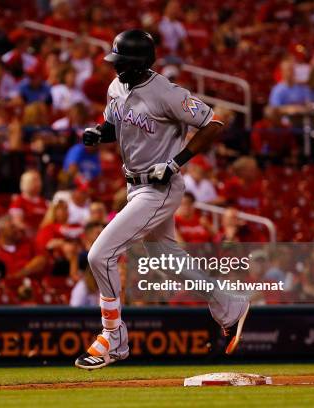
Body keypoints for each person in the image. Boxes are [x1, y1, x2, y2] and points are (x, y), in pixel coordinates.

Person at [75, 30, 250, 370]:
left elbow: (213, 123)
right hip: (134, 185)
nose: (116, 69)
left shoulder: (166, 92)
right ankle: (229, 305)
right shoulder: (116, 87)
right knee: (168, 259)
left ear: (140, 64)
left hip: (160, 187)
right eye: (115, 62)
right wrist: (100, 132)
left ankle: (113, 337)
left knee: (100, 254)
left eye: (122, 64)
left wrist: (175, 162)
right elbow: (116, 124)